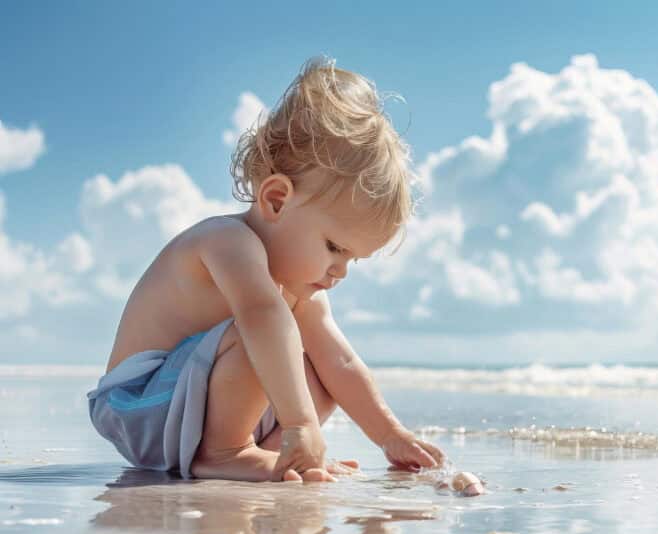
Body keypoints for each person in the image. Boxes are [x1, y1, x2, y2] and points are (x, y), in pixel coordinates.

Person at [86, 56, 446, 483]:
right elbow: (262, 319)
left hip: (188, 410)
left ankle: (273, 455)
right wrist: (301, 422)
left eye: (352, 259)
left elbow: (343, 362)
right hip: (139, 406)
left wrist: (390, 435)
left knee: (324, 368)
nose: (341, 272)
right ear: (276, 200)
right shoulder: (227, 242)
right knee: (266, 327)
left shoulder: (299, 286)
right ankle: (225, 453)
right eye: (334, 247)